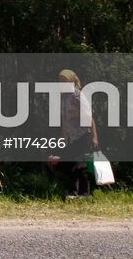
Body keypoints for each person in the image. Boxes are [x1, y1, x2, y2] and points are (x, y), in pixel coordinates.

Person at [57, 68, 99, 199]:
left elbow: (89, 117)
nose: (62, 83)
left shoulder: (78, 95)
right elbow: (64, 119)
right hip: (70, 136)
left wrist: (94, 137)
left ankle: (85, 193)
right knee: (70, 164)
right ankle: (74, 192)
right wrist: (63, 135)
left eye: (64, 80)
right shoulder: (63, 97)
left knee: (81, 165)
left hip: (82, 135)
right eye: (60, 81)